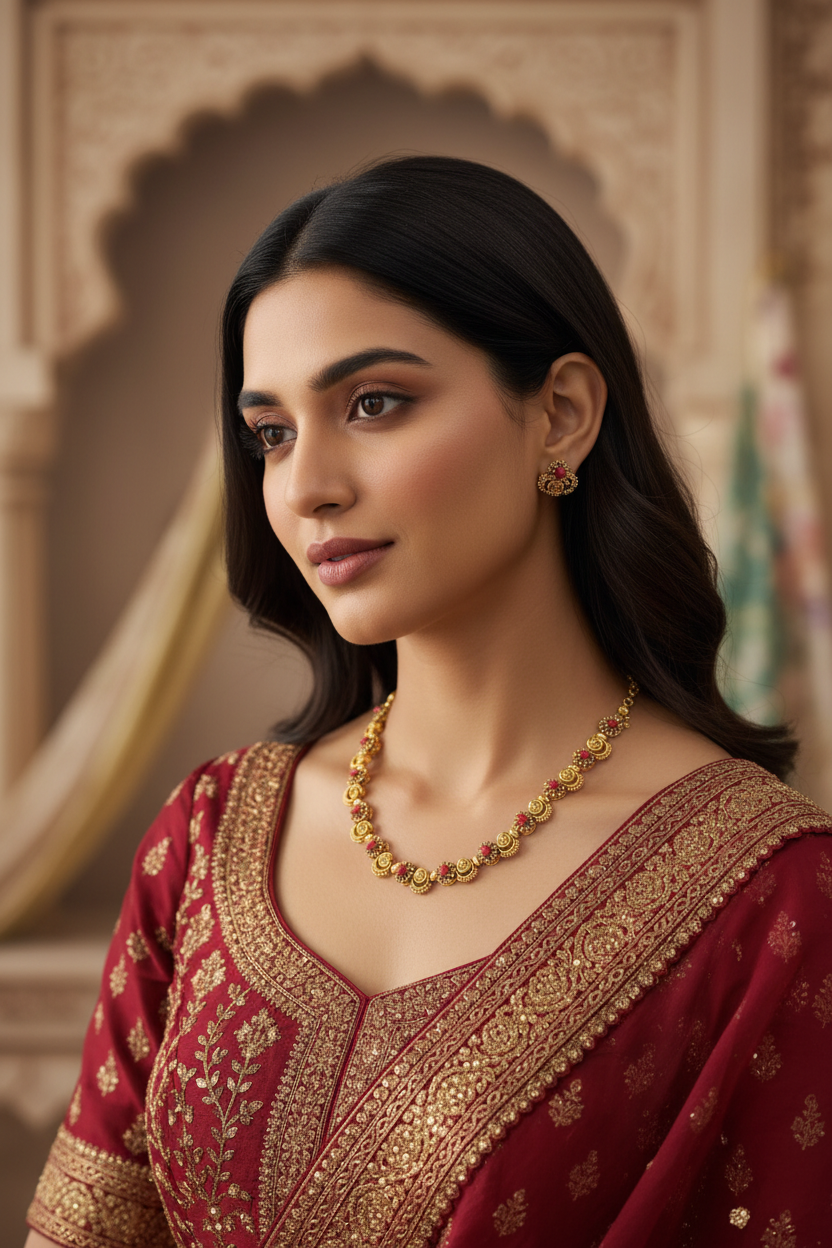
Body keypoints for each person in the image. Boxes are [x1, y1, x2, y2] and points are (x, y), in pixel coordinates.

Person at [25, 156, 832, 1248]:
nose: (306, 484)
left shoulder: (775, 900)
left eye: (374, 403)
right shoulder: (210, 841)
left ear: (560, 415)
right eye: (272, 432)